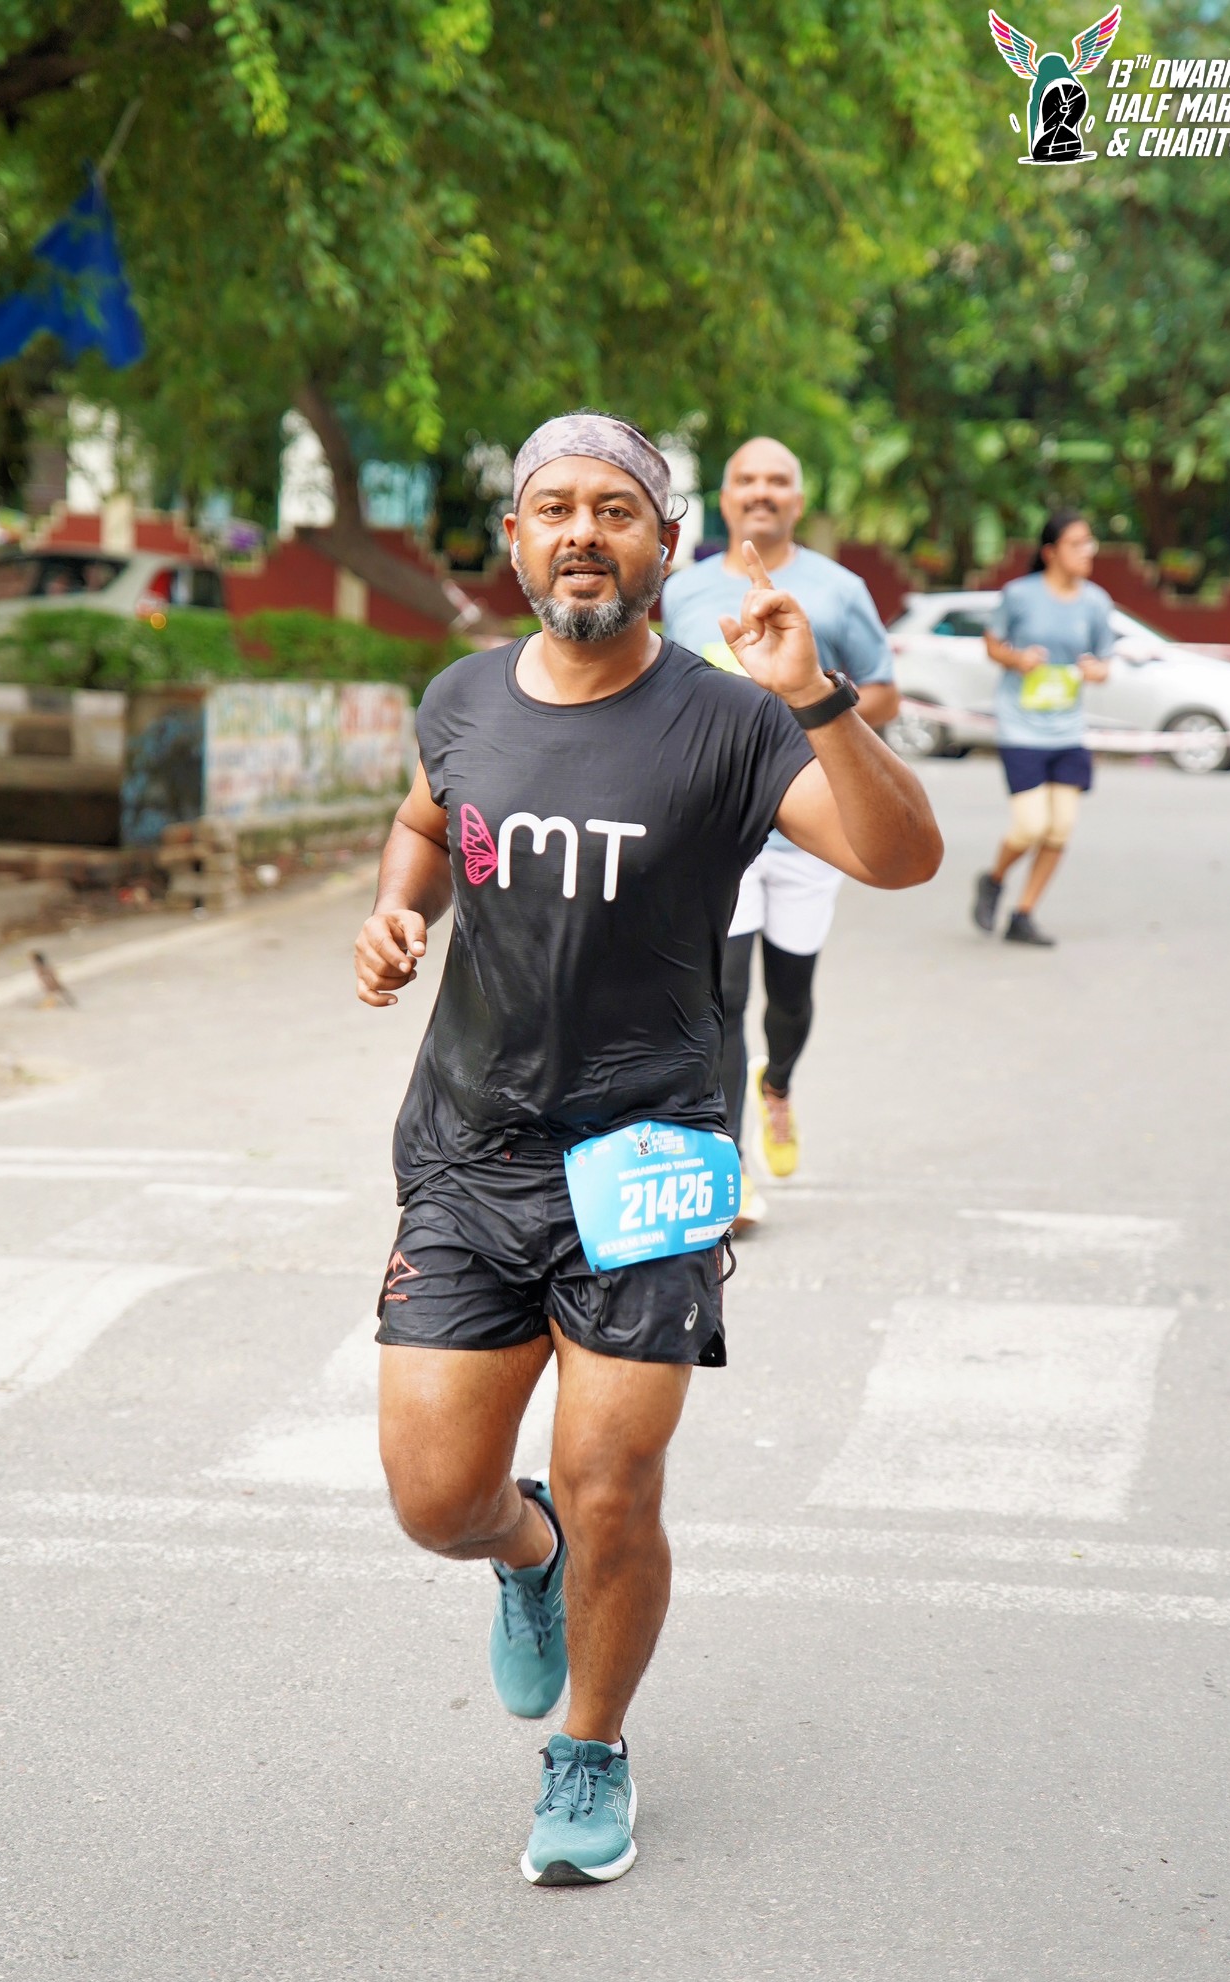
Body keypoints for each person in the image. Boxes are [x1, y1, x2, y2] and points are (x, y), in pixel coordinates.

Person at [353, 411, 941, 1887]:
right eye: (552, 506)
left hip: (651, 1149)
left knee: (613, 1476)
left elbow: (900, 857)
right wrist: (399, 912)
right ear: (512, 539)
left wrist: (818, 702)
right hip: (471, 1150)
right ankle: (527, 1553)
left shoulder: (732, 721)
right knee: (437, 1498)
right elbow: (426, 822)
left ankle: (591, 1746)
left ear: (667, 546)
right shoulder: (461, 698)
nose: (581, 532)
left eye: (615, 510)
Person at [662, 438, 899, 1222]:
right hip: (719, 829)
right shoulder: (683, 591)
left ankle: (779, 1082)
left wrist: (814, 700)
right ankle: (729, 1165)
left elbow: (886, 693)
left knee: (788, 998)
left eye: (777, 481)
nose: (761, 492)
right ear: (725, 498)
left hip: (808, 827)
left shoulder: (838, 590)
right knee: (722, 995)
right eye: (746, 480)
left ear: (798, 499)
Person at [973, 508, 1114, 947]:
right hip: (1021, 729)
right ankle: (994, 879)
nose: (1087, 551)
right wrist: (1017, 659)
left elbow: (1104, 662)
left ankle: (1024, 913)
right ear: (1051, 552)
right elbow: (992, 644)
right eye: (1077, 544)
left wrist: (1095, 671)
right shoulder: (1019, 595)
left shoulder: (1096, 602)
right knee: (1031, 826)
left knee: (1060, 828)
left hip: (1067, 731)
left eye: (1089, 543)